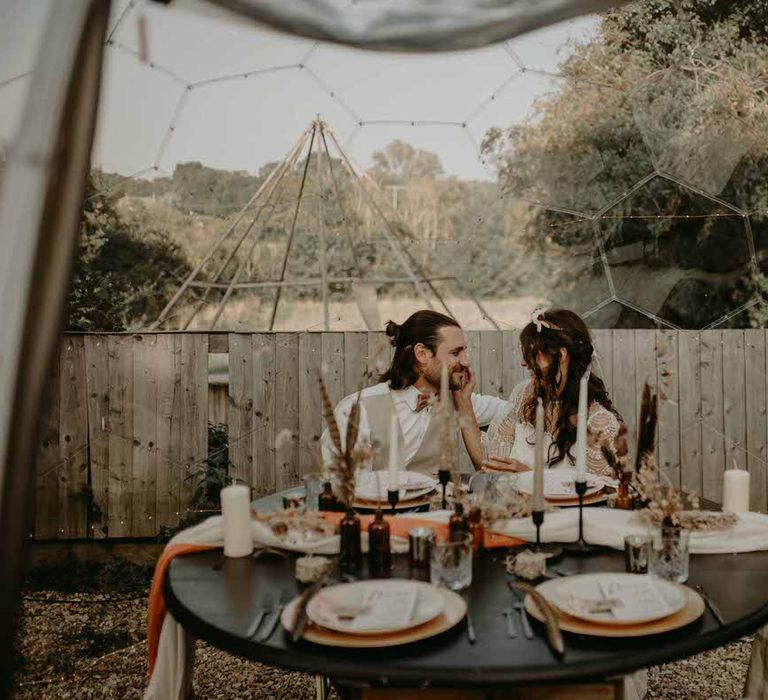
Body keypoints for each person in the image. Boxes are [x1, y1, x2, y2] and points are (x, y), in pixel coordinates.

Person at [320, 310, 508, 474]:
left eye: (465, 352)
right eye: (455, 352)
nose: (466, 362)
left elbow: (518, 411)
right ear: (422, 354)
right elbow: (348, 488)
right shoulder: (358, 410)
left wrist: (464, 402)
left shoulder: (459, 401)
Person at [461, 307, 625, 475]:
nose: (523, 363)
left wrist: (531, 478)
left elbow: (603, 495)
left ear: (561, 355)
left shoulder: (600, 423)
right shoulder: (523, 395)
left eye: (534, 353)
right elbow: (489, 464)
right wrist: (463, 400)